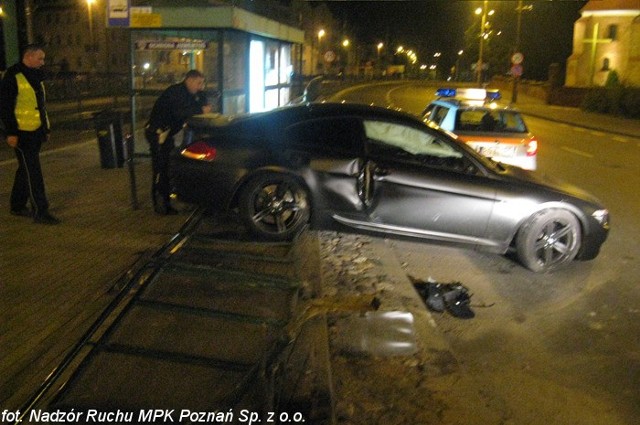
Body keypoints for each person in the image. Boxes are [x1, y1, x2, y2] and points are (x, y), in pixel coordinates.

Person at [0, 43, 59, 225]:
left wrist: (45, 129)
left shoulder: (36, 77)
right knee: (33, 172)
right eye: (40, 58)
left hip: (36, 131)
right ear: (29, 56)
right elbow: (5, 107)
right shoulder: (13, 76)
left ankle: (17, 205)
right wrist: (10, 133)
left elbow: (40, 106)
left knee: (25, 169)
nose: (43, 62)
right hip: (22, 134)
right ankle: (41, 210)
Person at [145, 69, 212, 215]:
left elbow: (201, 102)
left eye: (202, 83)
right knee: (160, 168)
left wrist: (202, 98)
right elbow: (180, 112)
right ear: (189, 80)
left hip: (167, 134)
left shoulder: (191, 94)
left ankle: (167, 200)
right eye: (198, 83)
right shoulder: (175, 92)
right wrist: (201, 109)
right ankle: (161, 204)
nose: (201, 87)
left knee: (168, 166)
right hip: (157, 133)